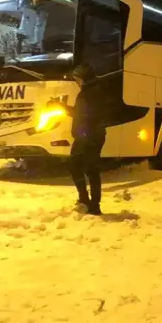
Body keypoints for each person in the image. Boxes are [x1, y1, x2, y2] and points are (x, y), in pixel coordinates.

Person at [59, 63, 106, 215]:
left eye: (78, 79)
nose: (77, 82)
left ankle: (92, 203)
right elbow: (81, 113)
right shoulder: (89, 91)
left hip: (89, 136)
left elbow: (88, 115)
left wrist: (84, 135)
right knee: (85, 169)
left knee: (84, 168)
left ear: (85, 78)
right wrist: (63, 108)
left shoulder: (92, 93)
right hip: (87, 135)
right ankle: (89, 201)